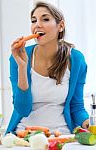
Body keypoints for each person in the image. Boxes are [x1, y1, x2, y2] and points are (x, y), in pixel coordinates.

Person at [6, 1, 89, 134]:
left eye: (45, 19)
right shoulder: (18, 57)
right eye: (34, 21)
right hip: (24, 135)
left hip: (62, 135)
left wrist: (88, 123)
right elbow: (22, 110)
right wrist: (22, 67)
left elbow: (76, 107)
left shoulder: (76, 59)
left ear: (60, 26)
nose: (37, 25)